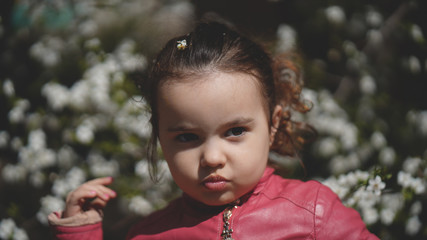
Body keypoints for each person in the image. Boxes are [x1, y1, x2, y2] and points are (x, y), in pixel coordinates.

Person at [48, 21, 379, 240]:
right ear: (160, 137)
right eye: (187, 137)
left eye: (235, 131)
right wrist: (81, 233)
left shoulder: (314, 214)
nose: (212, 157)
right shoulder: (151, 233)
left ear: (273, 123)